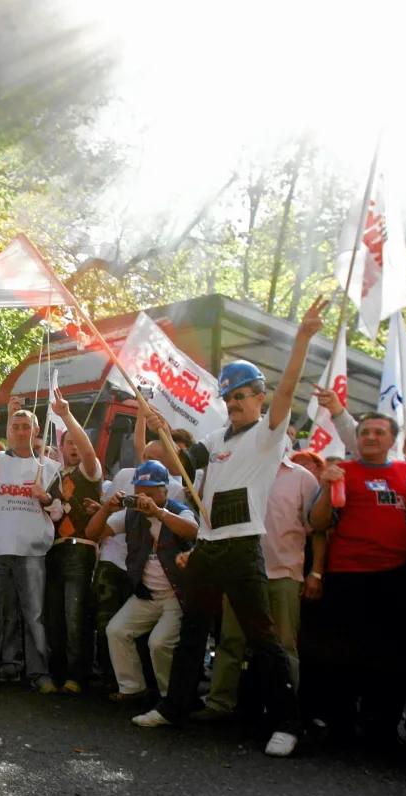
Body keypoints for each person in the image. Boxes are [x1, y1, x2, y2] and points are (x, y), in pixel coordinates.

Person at [135, 296, 328, 758]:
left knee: (263, 640)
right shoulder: (215, 437)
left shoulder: (268, 434)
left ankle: (287, 724)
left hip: (243, 549)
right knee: (194, 631)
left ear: (257, 397)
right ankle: (174, 707)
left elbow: (286, 394)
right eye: (229, 397)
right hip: (207, 546)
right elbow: (184, 464)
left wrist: (301, 338)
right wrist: (161, 432)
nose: (235, 403)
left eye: (242, 395)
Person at [190, 443, 323, 723]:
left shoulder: (303, 478)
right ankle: (219, 703)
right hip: (239, 572)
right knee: (231, 641)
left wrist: (317, 573)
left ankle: (286, 714)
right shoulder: (238, 472)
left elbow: (317, 529)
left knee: (285, 644)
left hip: (284, 573)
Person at [307, 411, 406, 749]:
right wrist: (326, 487)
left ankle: (380, 729)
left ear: (392, 439)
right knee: (342, 656)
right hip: (347, 577)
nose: (371, 436)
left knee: (389, 657)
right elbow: (318, 522)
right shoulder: (343, 473)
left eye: (379, 432)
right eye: (365, 431)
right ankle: (340, 727)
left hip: (395, 578)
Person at [84, 461, 197, 702]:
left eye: (151, 493)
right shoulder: (130, 514)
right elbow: (92, 534)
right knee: (116, 630)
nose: (144, 498)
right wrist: (106, 510)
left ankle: (171, 698)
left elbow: (193, 531)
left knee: (158, 643)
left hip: (177, 595)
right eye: (140, 492)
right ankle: (132, 688)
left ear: (165, 491)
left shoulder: (178, 510)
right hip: (147, 594)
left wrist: (159, 513)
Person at [0, 403, 58, 690]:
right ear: (8, 431)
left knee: (34, 616)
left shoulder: (49, 467)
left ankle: (39, 674)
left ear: (36, 432)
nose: (20, 432)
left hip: (32, 551)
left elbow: (59, 510)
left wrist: (44, 497)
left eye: (26, 427)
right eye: (15, 427)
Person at [43, 395, 103, 695]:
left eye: (79, 443)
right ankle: (56, 672)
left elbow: (89, 451)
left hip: (80, 550)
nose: (75, 448)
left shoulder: (89, 473)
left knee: (75, 614)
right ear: (62, 447)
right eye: (70, 443)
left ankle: (77, 676)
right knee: (54, 615)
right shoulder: (53, 475)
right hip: (52, 549)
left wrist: (66, 416)